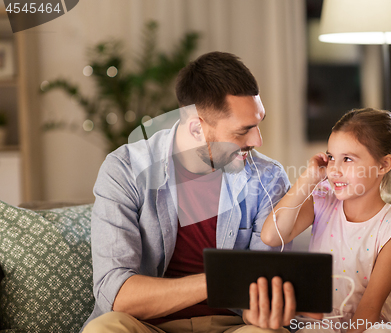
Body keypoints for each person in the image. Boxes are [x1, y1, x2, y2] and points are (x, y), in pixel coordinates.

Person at [82, 52, 296, 333]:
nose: (258, 140)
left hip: (232, 326)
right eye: (243, 131)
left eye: (258, 124)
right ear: (197, 128)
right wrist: (219, 279)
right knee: (104, 330)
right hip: (147, 326)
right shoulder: (125, 170)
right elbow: (116, 293)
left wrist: (267, 309)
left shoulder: (268, 177)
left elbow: (266, 287)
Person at [261, 108, 391, 333]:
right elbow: (271, 236)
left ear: (383, 165)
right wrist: (308, 179)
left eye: (348, 159)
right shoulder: (322, 199)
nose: (334, 169)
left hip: (369, 325)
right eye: (331, 157)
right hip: (322, 325)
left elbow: (369, 310)